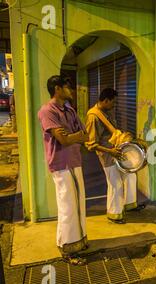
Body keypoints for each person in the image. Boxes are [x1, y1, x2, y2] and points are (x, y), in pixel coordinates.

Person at [37, 75, 89, 265]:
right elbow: (63, 139)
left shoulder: (70, 110)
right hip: (60, 163)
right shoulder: (47, 111)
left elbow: (85, 135)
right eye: (68, 87)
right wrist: (75, 136)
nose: (72, 91)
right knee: (67, 206)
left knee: (78, 203)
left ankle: (79, 242)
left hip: (75, 160)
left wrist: (72, 136)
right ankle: (67, 247)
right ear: (58, 89)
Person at [85, 88, 145, 224]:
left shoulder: (106, 112)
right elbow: (90, 144)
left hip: (118, 151)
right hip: (108, 155)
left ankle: (130, 205)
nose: (114, 105)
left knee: (130, 175)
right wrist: (110, 151)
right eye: (113, 102)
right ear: (106, 100)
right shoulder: (93, 117)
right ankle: (114, 213)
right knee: (115, 183)